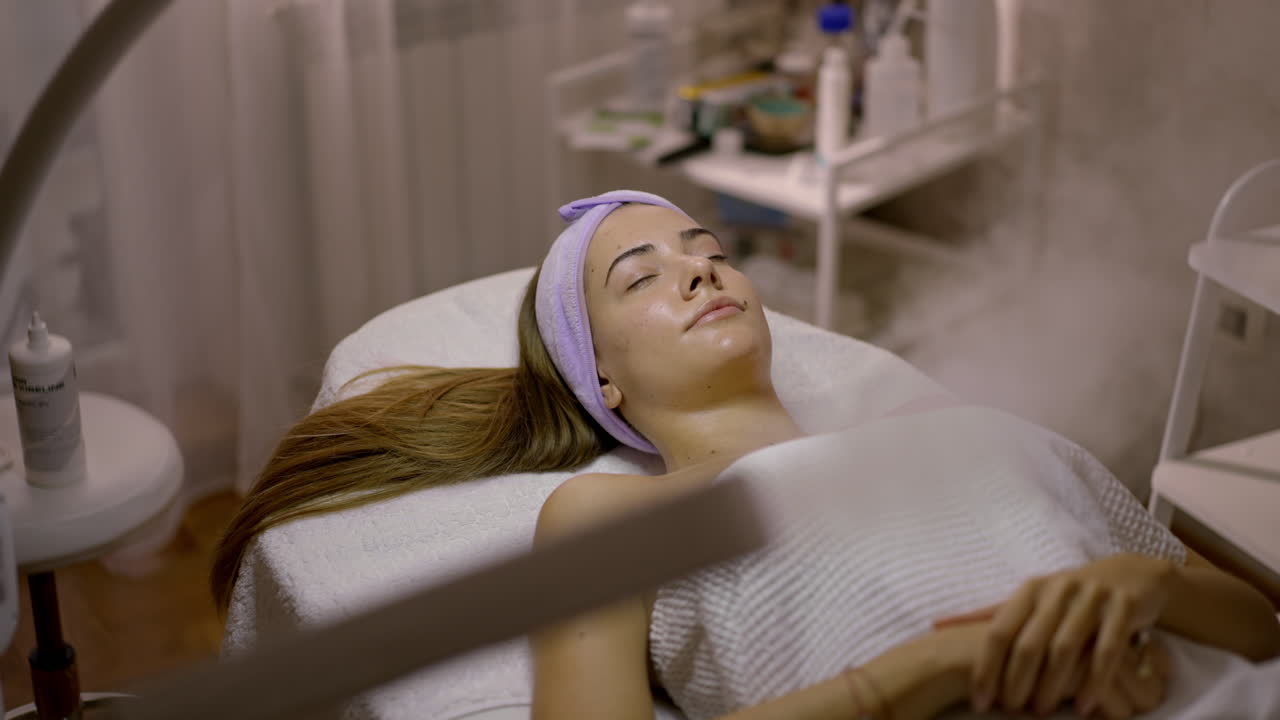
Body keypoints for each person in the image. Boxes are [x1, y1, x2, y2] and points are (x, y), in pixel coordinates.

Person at [210, 191, 1280, 720]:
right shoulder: (610, 516)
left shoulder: (976, 429)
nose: (697, 273)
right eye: (640, 278)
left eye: (708, 254)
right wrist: (930, 668)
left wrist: (1137, 581)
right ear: (603, 386)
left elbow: (1256, 626)